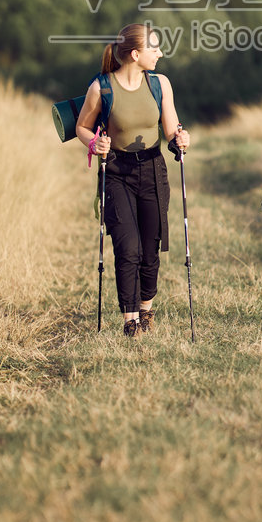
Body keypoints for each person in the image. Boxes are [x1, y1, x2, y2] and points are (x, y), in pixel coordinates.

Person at [75, 22, 190, 337]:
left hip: (152, 169)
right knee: (127, 248)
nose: (160, 53)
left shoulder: (160, 84)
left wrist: (180, 138)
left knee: (150, 249)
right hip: (116, 172)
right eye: (155, 48)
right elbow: (82, 126)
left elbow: (171, 129)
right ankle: (130, 321)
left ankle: (146, 310)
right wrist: (94, 143)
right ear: (136, 54)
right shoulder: (101, 88)